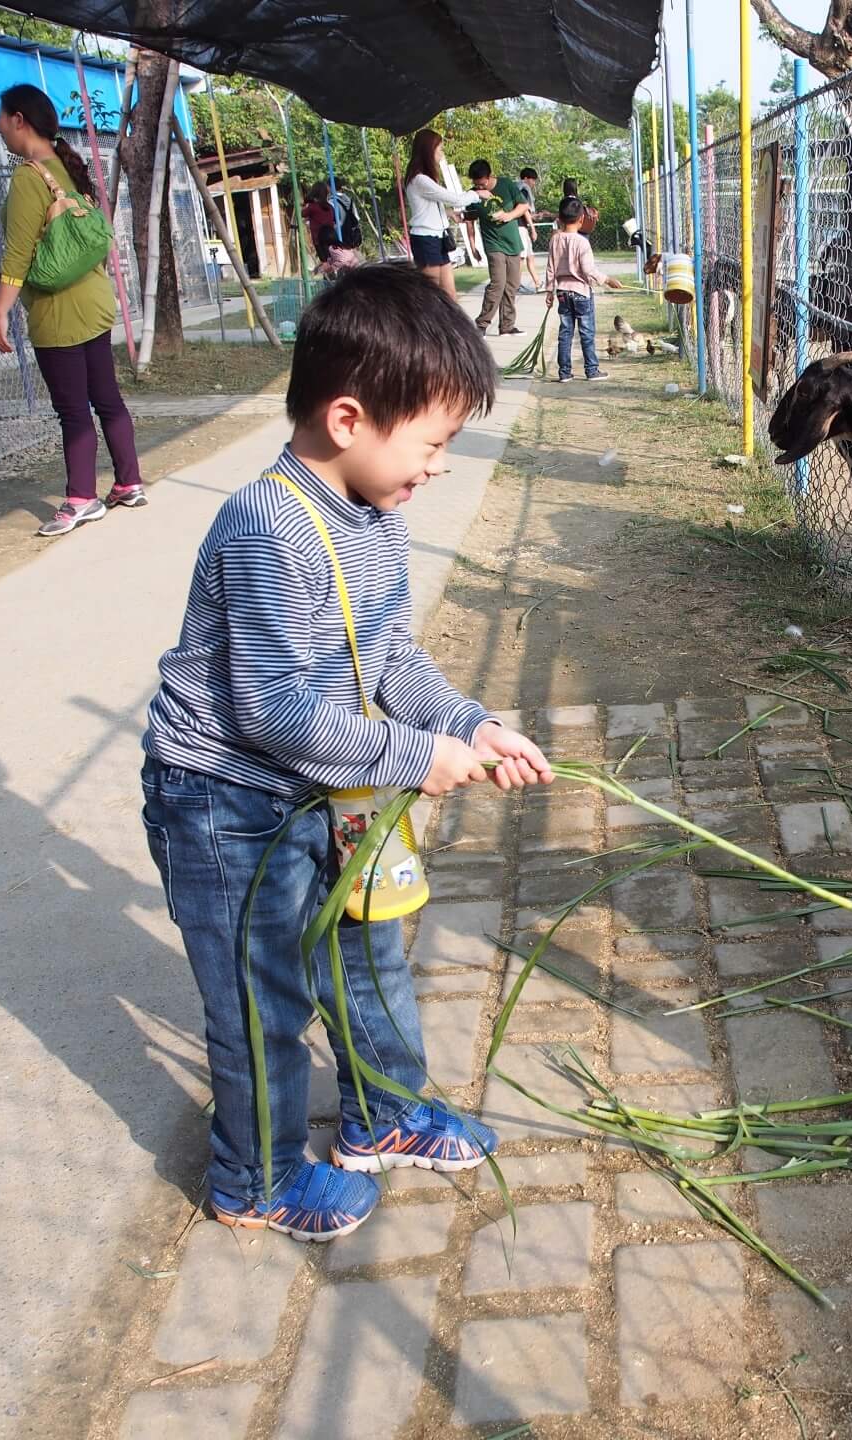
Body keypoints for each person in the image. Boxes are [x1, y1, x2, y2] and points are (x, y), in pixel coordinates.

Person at [140, 264, 553, 1239]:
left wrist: (469, 726)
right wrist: (415, 756)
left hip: (324, 785)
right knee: (263, 999)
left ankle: (386, 1118)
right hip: (225, 800)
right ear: (347, 419)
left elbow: (395, 659)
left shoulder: (377, 520)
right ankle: (257, 1180)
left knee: (367, 958)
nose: (440, 465)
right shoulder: (268, 525)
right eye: (433, 441)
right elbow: (277, 710)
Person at [0, 84, 146, 539]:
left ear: (18, 120)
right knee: (107, 398)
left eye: (1, 119)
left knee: (73, 410)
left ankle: (82, 497)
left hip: (58, 314)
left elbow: (18, 253)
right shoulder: (65, 164)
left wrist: (1, 310)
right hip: (94, 303)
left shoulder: (27, 176)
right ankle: (129, 481)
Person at [545, 196, 622, 382]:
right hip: (581, 293)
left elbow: (550, 267)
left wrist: (549, 291)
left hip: (562, 292)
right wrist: (607, 280)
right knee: (586, 332)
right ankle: (592, 370)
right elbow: (588, 270)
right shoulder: (582, 242)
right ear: (581, 220)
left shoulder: (555, 240)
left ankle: (564, 372)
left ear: (560, 219)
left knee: (565, 332)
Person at [403, 129, 472, 300]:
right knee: (430, 294)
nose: (442, 153)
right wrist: (477, 194)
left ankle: (454, 326)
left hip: (438, 237)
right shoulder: (420, 179)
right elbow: (456, 199)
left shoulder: (426, 178)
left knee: (450, 294)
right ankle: (423, 326)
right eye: (439, 149)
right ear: (428, 150)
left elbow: (428, 208)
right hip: (426, 238)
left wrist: (448, 213)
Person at [464, 159, 529, 337]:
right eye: (476, 184)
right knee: (498, 283)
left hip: (513, 242)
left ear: (489, 175)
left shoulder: (506, 184)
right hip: (493, 244)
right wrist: (472, 246)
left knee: (512, 284)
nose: (479, 187)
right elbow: (469, 221)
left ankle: (507, 326)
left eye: (482, 183)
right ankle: (481, 325)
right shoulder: (473, 195)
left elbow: (523, 205)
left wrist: (509, 216)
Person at [516, 166, 544, 294]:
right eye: (532, 180)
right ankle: (515, 284)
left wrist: (535, 217)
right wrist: (533, 229)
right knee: (521, 258)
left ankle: (538, 283)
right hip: (519, 227)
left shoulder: (520, 189)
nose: (533, 183)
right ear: (526, 178)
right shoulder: (523, 189)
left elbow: (526, 213)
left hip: (523, 226)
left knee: (530, 256)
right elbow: (524, 210)